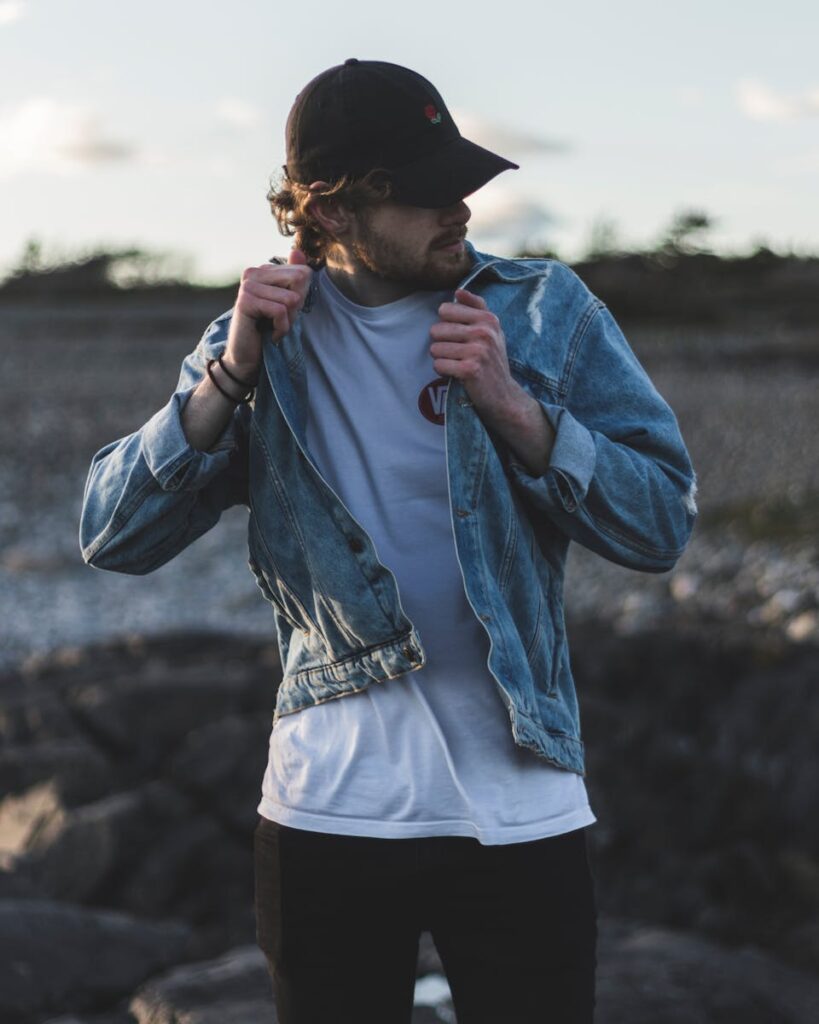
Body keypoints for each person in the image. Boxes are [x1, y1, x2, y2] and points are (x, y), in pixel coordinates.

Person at [80, 58, 698, 1024]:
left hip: (521, 808)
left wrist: (516, 411)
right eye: (421, 193)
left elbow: (661, 521)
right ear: (329, 213)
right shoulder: (258, 344)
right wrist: (228, 378)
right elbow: (111, 534)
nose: (456, 209)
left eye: (460, 183)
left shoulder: (541, 313)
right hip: (327, 814)